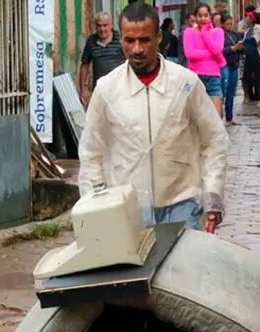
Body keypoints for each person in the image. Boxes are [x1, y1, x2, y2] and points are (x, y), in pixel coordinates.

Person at [78, 3, 227, 232]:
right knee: (137, 269)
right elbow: (91, 152)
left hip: (183, 205)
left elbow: (214, 139)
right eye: (129, 40)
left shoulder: (185, 84)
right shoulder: (107, 90)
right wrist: (95, 203)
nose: (137, 49)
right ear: (122, 40)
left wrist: (213, 196)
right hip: (128, 209)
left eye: (144, 40)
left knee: (181, 268)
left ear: (158, 37)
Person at [183, 3, 227, 117]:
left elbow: (217, 50)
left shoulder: (218, 32)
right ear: (195, 17)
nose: (203, 18)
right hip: (196, 78)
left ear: (210, 16)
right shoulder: (189, 32)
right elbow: (190, 54)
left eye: (206, 15)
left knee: (216, 118)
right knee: (197, 120)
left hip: (214, 78)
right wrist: (212, 54)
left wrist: (204, 33)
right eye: (200, 15)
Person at [79, 12, 125, 106]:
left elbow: (131, 62)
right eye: (99, 26)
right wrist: (83, 89)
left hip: (119, 91)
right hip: (100, 91)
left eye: (105, 25)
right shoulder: (91, 41)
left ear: (111, 25)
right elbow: (84, 65)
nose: (102, 29)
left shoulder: (121, 39)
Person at [242, 10, 260, 102]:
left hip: (256, 56)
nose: (245, 19)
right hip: (247, 57)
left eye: (247, 17)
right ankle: (250, 96)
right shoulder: (247, 29)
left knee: (257, 77)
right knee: (247, 77)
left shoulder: (259, 28)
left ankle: (257, 97)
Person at [221, 16, 242, 125]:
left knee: (231, 92)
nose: (229, 26)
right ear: (222, 24)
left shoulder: (235, 35)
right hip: (224, 65)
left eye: (231, 24)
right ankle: (220, 116)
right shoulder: (221, 35)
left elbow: (241, 48)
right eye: (227, 24)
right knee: (223, 90)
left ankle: (229, 117)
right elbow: (219, 50)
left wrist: (240, 47)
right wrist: (232, 49)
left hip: (234, 65)